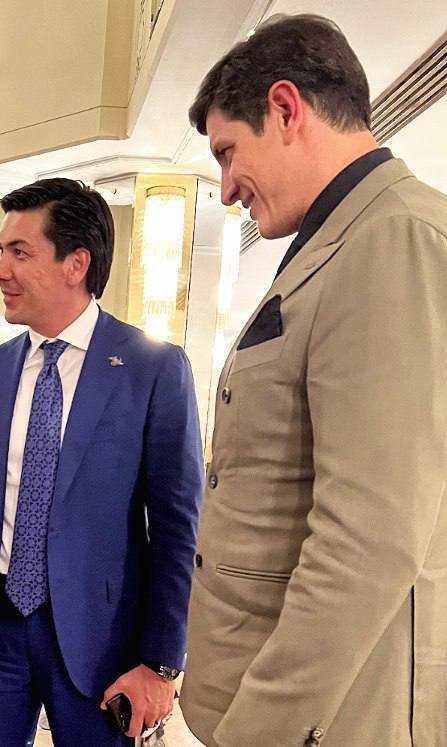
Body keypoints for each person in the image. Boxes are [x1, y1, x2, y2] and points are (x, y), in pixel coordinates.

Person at [181, 14, 447, 747]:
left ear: (285, 109)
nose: (226, 189)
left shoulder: (391, 237)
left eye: (227, 152)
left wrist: (259, 731)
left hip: (329, 717)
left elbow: (367, 540)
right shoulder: (342, 237)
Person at [0, 178, 204, 745]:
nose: (0, 270)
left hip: (103, 643)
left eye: (19, 252)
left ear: (76, 264)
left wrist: (160, 662)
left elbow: (177, 526)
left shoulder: (152, 368)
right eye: (1, 251)